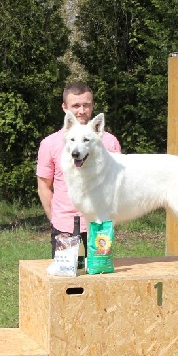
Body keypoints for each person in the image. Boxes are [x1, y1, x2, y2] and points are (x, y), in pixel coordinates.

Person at [37, 82, 121, 257]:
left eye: (86, 105)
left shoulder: (109, 142)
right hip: (65, 227)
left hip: (100, 226)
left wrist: (110, 221)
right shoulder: (49, 143)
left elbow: (116, 186)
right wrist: (55, 220)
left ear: (92, 106)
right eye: (76, 106)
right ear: (64, 108)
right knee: (68, 283)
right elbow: (44, 186)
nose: (82, 111)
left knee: (99, 279)